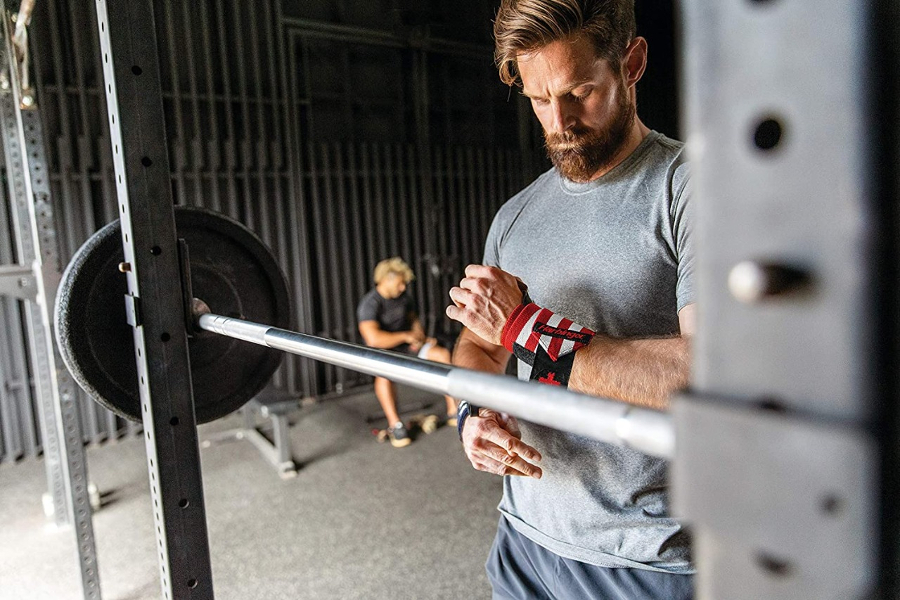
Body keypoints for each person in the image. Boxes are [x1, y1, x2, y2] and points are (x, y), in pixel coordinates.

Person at [446, 0, 696, 597]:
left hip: (646, 559)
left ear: (630, 64)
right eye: (538, 99)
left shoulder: (687, 188)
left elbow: (712, 377)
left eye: (578, 91)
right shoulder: (516, 216)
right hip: (525, 542)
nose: (558, 121)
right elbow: (479, 346)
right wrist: (472, 415)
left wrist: (527, 329)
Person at [357, 257, 457, 447]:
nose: (403, 287)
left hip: (409, 347)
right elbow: (373, 339)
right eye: (400, 283)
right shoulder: (370, 304)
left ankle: (454, 410)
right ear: (387, 279)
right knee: (383, 376)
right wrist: (405, 336)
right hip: (384, 351)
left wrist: (419, 338)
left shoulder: (404, 299)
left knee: (442, 355)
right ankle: (396, 426)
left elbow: (415, 324)